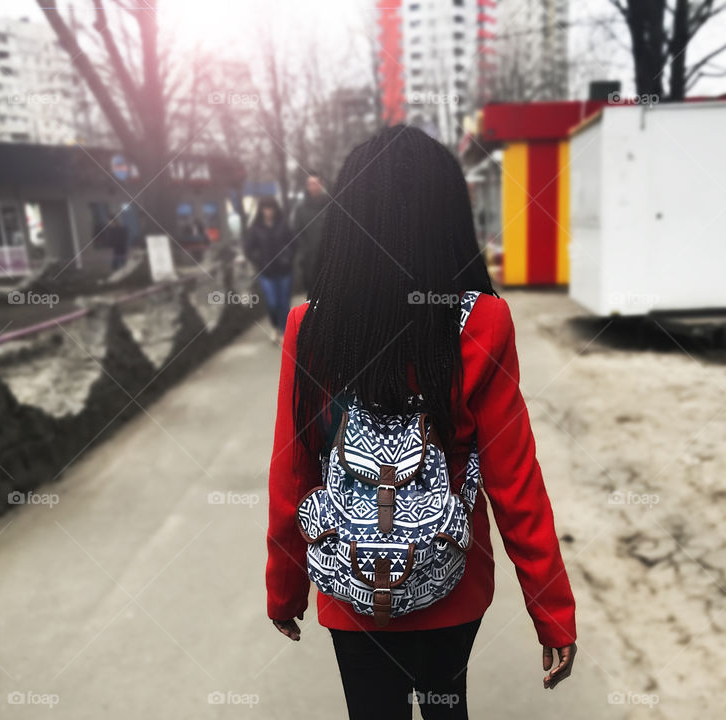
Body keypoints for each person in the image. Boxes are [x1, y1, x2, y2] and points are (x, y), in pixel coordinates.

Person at [265, 126, 577, 719]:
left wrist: (285, 588)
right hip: (451, 581)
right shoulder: (482, 323)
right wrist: (551, 610)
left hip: (348, 580)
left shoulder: (310, 327)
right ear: (447, 220)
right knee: (443, 706)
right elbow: (515, 483)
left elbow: (293, 468)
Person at [244, 197, 295, 342]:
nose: (268, 212)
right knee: (272, 302)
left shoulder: (283, 225)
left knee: (284, 302)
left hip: (284, 271)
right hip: (266, 272)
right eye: (265, 208)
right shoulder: (256, 228)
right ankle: (275, 327)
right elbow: (248, 249)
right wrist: (259, 260)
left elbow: (293, 243)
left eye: (271, 208)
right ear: (261, 210)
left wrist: (288, 257)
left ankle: (286, 331)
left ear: (275, 209)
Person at [291, 170, 328, 296]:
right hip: (310, 261)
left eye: (316, 183)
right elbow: (297, 231)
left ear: (321, 184)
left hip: (330, 259)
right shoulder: (301, 210)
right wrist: (305, 249)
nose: (313, 186)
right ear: (307, 186)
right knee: (313, 296)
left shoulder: (331, 205)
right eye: (311, 184)